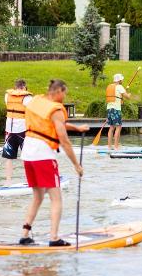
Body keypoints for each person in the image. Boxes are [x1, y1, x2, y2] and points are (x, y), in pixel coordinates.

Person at [18, 79, 89, 246]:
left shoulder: (37, 101)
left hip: (28, 154)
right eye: (65, 93)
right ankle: (54, 237)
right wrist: (76, 165)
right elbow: (64, 140)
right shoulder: (56, 109)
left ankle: (25, 234)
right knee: (56, 198)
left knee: (38, 196)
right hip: (43, 155)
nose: (65, 96)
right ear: (58, 92)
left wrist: (77, 128)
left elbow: (51, 124)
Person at [3, 79, 33, 184]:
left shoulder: (7, 96)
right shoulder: (27, 97)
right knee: (28, 157)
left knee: (9, 158)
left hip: (9, 130)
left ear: (15, 87)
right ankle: (30, 180)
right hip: (22, 130)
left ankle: (8, 181)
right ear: (24, 87)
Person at [105, 74, 133, 151]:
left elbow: (117, 96)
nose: (122, 81)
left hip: (109, 109)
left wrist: (121, 97)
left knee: (111, 127)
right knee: (118, 127)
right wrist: (129, 95)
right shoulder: (120, 87)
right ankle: (116, 147)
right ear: (119, 80)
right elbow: (127, 97)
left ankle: (109, 146)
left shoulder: (109, 86)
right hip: (116, 109)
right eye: (122, 80)